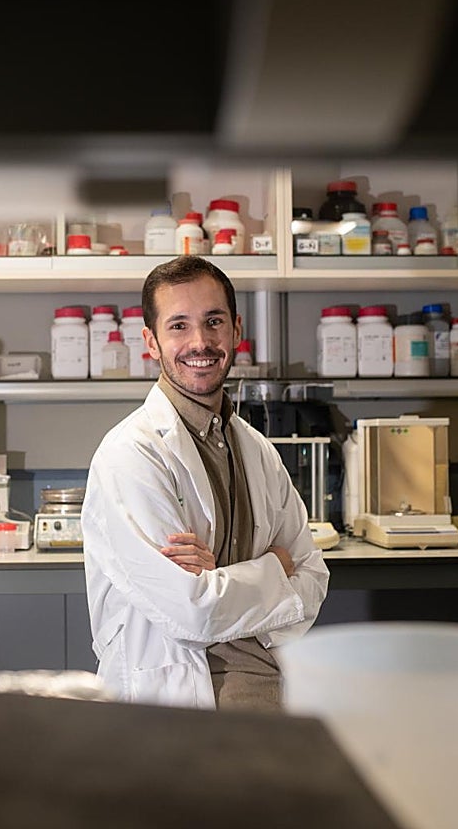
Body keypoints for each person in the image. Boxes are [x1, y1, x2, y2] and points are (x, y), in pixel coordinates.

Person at [81, 255, 330, 711]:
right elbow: (191, 610)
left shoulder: (258, 450)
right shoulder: (130, 455)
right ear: (151, 342)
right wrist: (275, 566)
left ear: (236, 330)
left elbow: (314, 575)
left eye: (213, 321)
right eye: (179, 326)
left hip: (269, 691)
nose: (200, 342)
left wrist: (220, 577)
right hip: (176, 701)